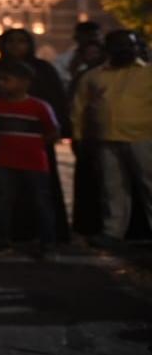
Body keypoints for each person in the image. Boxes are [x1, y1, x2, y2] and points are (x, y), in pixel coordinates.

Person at [0, 29, 70, 242]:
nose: (16, 47)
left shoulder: (43, 70)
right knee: (3, 194)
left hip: (35, 147)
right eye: (10, 42)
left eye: (21, 42)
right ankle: (3, 234)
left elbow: (56, 103)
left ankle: (45, 236)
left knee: (39, 194)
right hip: (2, 146)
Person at [72, 30, 152, 247]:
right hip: (106, 139)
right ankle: (112, 232)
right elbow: (79, 109)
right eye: (120, 47)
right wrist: (78, 137)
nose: (125, 51)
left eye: (129, 46)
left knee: (149, 185)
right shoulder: (94, 76)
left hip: (143, 138)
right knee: (112, 188)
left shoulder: (148, 73)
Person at [0, 61, 60, 258]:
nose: (1, 84)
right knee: (3, 201)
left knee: (41, 202)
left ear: (24, 82)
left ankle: (48, 243)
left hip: (34, 161)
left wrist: (36, 145)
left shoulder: (39, 106)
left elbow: (53, 132)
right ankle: (2, 239)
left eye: (6, 80)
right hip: (4, 161)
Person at [67, 39, 107, 237]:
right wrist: (77, 134)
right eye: (88, 54)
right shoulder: (86, 76)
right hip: (91, 136)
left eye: (96, 53)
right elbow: (77, 107)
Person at [55, 21, 102, 87]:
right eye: (87, 36)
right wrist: (73, 70)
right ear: (76, 38)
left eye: (95, 36)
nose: (92, 39)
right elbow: (60, 85)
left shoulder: (109, 60)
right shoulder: (62, 61)